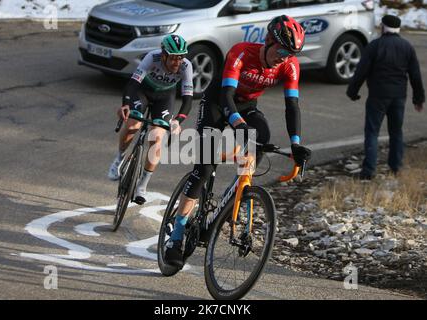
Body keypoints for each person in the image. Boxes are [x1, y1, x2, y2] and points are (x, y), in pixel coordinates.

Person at [164, 15, 312, 269]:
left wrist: (296, 143)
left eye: (292, 53)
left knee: (262, 140)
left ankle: (235, 195)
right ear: (269, 41)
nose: (285, 57)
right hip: (218, 103)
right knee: (204, 169)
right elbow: (226, 96)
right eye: (283, 50)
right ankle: (176, 237)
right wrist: (237, 124)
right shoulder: (241, 53)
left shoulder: (290, 66)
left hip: (248, 106)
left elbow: (292, 106)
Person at [108, 35, 194, 205]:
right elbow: (133, 83)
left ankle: (142, 186)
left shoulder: (186, 66)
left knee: (157, 138)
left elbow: (188, 99)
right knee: (133, 124)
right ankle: (119, 158)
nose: (177, 62)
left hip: (165, 97)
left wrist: (178, 120)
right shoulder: (152, 57)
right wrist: (126, 104)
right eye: (173, 58)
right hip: (143, 91)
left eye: (180, 57)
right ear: (163, 55)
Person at [347, 14, 425, 180]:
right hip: (399, 97)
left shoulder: (375, 46)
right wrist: (418, 99)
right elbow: (415, 76)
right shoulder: (407, 47)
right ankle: (395, 167)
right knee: (396, 132)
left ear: (383, 27)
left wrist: (352, 91)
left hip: (377, 96)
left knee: (372, 132)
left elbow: (361, 71)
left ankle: (369, 171)